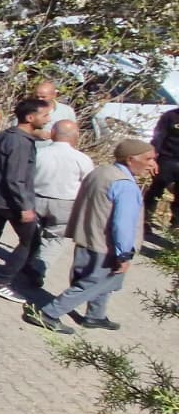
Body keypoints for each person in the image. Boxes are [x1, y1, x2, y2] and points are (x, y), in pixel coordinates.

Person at [27, 140, 157, 333]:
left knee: (101, 282)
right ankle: (48, 314)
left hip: (86, 237)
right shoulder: (125, 185)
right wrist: (124, 254)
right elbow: (123, 224)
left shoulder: (100, 172)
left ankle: (95, 315)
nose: (152, 164)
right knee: (93, 283)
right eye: (148, 159)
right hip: (106, 246)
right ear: (131, 159)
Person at [0, 98, 53, 303]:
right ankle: (1, 282)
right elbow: (16, 178)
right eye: (45, 115)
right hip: (10, 201)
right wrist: (25, 207)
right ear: (30, 118)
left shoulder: (4, 135)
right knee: (30, 241)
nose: (48, 119)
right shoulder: (21, 143)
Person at [25, 120, 94, 288]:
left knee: (31, 234)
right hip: (65, 204)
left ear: (53, 134)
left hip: (36, 198)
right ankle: (40, 267)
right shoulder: (82, 159)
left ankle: (27, 261)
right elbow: (88, 184)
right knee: (54, 239)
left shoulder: (39, 154)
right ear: (76, 136)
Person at [145, 105, 179, 231]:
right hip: (167, 159)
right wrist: (151, 159)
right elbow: (158, 138)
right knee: (156, 191)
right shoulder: (170, 116)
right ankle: (145, 219)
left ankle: (176, 225)